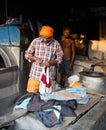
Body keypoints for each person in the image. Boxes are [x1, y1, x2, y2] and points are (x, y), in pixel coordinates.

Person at [24, 25, 63, 93]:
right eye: (43, 37)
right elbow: (27, 54)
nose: (45, 40)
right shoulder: (35, 41)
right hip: (35, 74)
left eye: (48, 38)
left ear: (51, 37)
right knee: (31, 94)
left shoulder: (56, 44)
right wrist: (35, 58)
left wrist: (51, 62)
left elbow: (60, 57)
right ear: (41, 35)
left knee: (46, 96)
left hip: (49, 76)